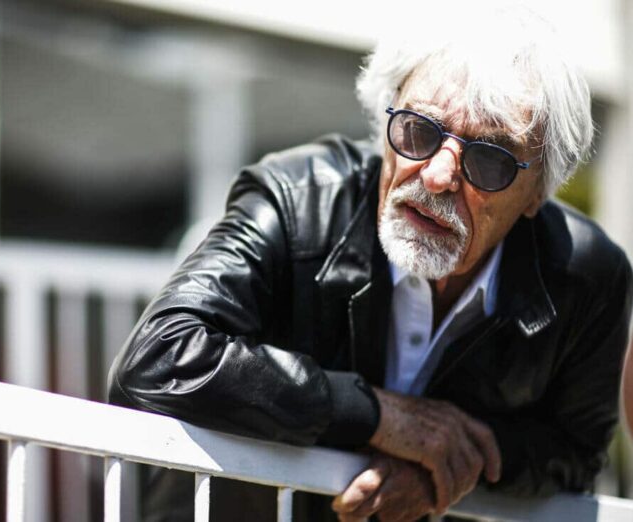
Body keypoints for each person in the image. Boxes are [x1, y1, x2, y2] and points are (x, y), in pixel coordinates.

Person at [108, 3, 633, 521]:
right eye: (419, 130)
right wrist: (377, 416)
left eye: (490, 159)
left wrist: (447, 467)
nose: (437, 177)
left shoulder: (587, 276)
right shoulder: (297, 200)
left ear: (538, 192)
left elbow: (575, 450)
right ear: (387, 118)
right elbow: (156, 358)